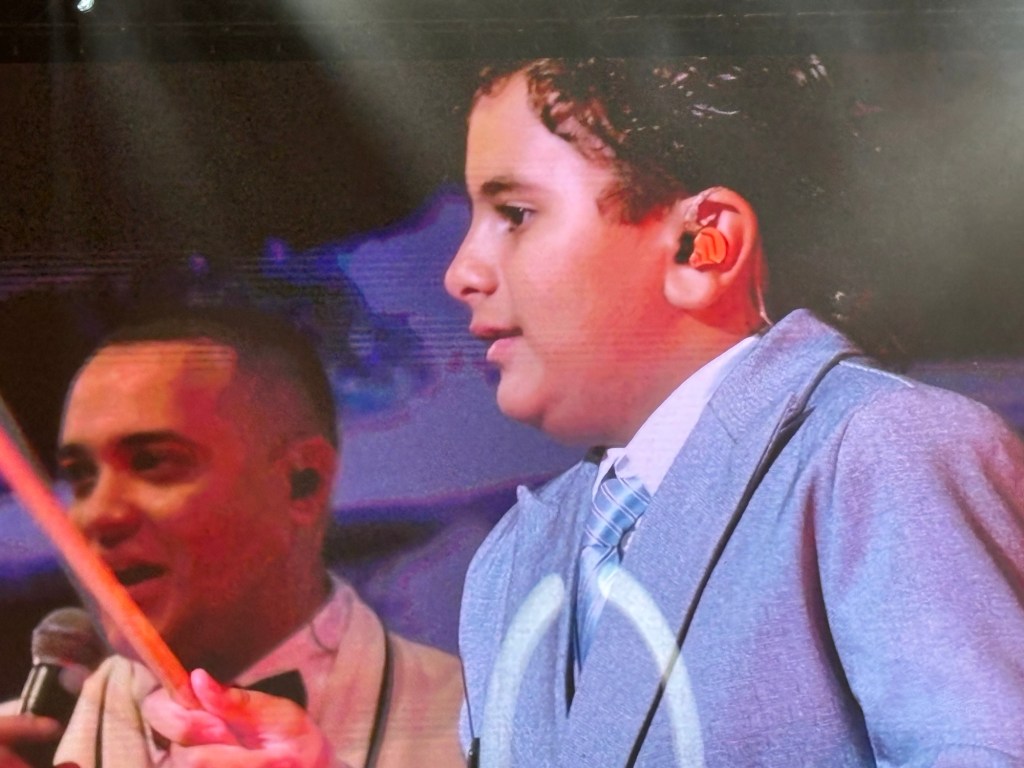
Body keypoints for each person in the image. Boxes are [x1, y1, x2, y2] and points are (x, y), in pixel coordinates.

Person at [442, 57, 1024, 766]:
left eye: (515, 215)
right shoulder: (509, 560)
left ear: (701, 247)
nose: (461, 272)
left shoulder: (882, 452)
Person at [0, 307, 464, 768]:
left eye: (153, 462)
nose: (97, 515)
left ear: (302, 482)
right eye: (82, 477)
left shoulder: (476, 723)